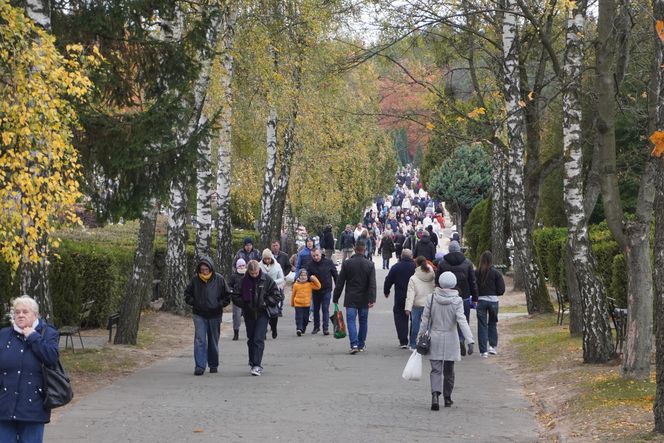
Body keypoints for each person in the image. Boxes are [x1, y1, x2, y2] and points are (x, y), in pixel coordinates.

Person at [0, 296, 59, 442]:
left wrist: (33, 336)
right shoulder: (4, 334)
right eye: (17, 312)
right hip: (4, 405)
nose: (20, 315)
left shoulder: (48, 333)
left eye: (25, 312)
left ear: (35, 314)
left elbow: (51, 357)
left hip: (34, 406)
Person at [418, 272, 474, 410]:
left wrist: (419, 336)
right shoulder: (457, 301)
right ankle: (447, 398)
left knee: (435, 370)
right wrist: (469, 340)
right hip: (451, 337)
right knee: (449, 370)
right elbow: (462, 320)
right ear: (454, 283)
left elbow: (425, 319)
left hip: (435, 336)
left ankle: (435, 395)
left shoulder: (431, 298)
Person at [231, 260, 283, 376]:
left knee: (259, 338)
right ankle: (252, 360)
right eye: (252, 273)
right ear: (248, 271)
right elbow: (235, 296)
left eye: (256, 273)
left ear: (259, 270)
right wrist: (245, 303)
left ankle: (257, 365)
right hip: (249, 313)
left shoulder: (267, 279)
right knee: (251, 339)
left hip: (263, 313)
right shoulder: (242, 281)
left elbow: (277, 295)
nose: (254, 275)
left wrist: (266, 302)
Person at [184, 256, 230, 375]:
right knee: (200, 339)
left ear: (210, 268)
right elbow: (187, 295)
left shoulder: (219, 279)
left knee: (213, 340)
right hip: (199, 314)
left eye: (206, 269)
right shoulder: (195, 280)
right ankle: (200, 365)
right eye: (202, 269)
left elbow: (227, 296)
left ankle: (213, 364)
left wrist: (218, 304)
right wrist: (195, 302)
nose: (204, 271)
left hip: (215, 314)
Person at [333, 239, 377, 354]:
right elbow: (372, 283)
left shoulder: (347, 263)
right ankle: (361, 344)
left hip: (351, 297)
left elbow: (340, 282)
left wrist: (336, 297)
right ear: (365, 250)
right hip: (364, 298)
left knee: (351, 321)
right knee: (363, 321)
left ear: (354, 249)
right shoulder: (370, 264)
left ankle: (354, 344)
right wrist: (372, 299)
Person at [436, 240, 479, 356]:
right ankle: (461, 338)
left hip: (447, 295)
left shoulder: (442, 263)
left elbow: (437, 280)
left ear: (449, 250)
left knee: (448, 320)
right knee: (463, 319)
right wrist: (475, 297)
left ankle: (451, 343)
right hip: (463, 296)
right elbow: (472, 282)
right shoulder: (467, 263)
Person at [383, 249, 416, 348]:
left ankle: (403, 341)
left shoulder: (396, 267)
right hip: (415, 296)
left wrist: (386, 291)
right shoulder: (415, 267)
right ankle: (413, 339)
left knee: (400, 317)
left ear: (401, 256)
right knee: (415, 317)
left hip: (400, 296)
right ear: (411, 256)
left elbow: (388, 280)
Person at [475, 251, 505, 357]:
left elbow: (473, 287)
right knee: (492, 324)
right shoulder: (496, 273)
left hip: (481, 301)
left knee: (482, 325)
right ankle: (492, 346)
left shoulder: (477, 272)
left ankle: (483, 351)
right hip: (493, 301)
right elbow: (501, 290)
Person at [405, 256, 435, 350]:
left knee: (415, 325)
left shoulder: (413, 278)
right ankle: (426, 343)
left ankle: (413, 344)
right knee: (428, 325)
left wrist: (408, 308)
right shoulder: (432, 276)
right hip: (429, 304)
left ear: (416, 264)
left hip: (417, 304)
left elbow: (410, 294)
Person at [306, 248, 338, 335]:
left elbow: (335, 274)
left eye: (317, 255)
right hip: (316, 290)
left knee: (325, 308)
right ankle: (316, 327)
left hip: (327, 289)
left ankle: (325, 328)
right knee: (316, 309)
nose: (316, 257)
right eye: (313, 256)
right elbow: (306, 276)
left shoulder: (328, 262)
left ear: (320, 254)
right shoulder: (310, 264)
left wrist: (337, 287)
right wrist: (309, 278)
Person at [259, 249, 285, 339]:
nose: (267, 260)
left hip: (274, 291)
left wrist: (272, 281)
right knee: (263, 313)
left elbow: (282, 278)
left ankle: (274, 328)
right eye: (265, 259)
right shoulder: (259, 266)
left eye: (268, 259)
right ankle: (263, 331)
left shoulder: (277, 266)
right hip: (262, 292)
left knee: (274, 313)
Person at [291, 269, 321, 335]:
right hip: (298, 304)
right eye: (301, 275)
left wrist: (314, 278)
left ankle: (303, 328)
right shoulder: (296, 285)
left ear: (307, 276)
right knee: (299, 318)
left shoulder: (309, 284)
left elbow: (318, 286)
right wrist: (292, 303)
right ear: (299, 276)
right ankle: (299, 329)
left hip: (307, 304)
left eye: (304, 275)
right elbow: (293, 294)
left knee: (305, 319)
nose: (303, 277)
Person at [228, 259, 247, 341]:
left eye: (243, 265)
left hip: (247, 298)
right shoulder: (233, 276)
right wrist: (232, 291)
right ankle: (236, 333)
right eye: (240, 266)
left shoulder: (248, 274)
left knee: (249, 316)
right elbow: (229, 286)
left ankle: (251, 331)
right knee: (237, 317)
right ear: (236, 267)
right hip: (237, 299)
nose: (242, 267)